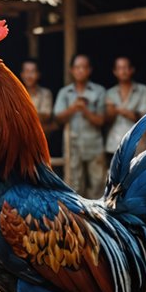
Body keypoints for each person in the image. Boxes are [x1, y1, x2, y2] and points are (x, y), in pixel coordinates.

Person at [54, 54, 106, 199]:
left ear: (89, 70)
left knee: (97, 185)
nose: (80, 70)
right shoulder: (65, 92)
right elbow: (58, 118)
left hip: (94, 144)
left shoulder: (98, 91)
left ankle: (97, 219)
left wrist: (85, 110)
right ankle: (78, 220)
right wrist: (73, 108)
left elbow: (101, 121)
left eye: (84, 67)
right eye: (77, 67)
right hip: (72, 145)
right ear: (72, 70)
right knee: (73, 186)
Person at [104, 56, 146, 160]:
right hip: (114, 145)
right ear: (115, 72)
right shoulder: (109, 93)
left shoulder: (143, 90)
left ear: (132, 70)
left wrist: (117, 110)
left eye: (126, 67)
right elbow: (108, 118)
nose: (123, 71)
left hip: (138, 145)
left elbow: (144, 117)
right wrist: (112, 113)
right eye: (120, 68)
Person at [20, 59, 56, 159]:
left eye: (32, 71)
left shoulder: (45, 93)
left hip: (42, 142)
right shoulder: (16, 94)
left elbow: (46, 117)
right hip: (19, 143)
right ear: (22, 74)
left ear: (38, 74)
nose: (29, 75)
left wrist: (22, 114)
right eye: (27, 71)